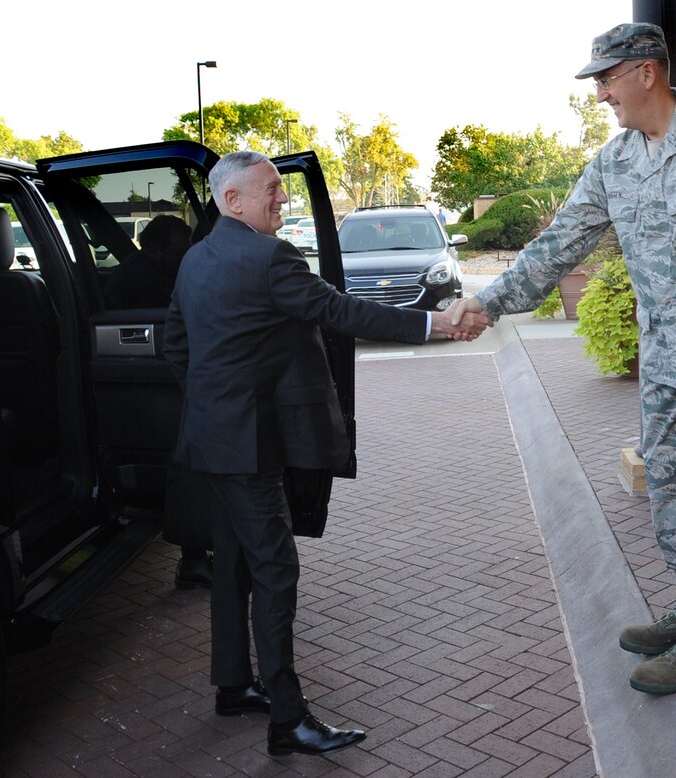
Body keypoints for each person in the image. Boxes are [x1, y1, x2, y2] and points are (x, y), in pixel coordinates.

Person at [450, 23, 676, 696]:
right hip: (668, 362)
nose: (600, 94)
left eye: (606, 79)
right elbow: (560, 242)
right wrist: (490, 302)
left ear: (647, 72)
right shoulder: (615, 163)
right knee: (671, 492)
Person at [163, 151, 489, 756]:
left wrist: (214, 403)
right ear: (232, 201)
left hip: (210, 441)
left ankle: (234, 686)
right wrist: (435, 324)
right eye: (270, 192)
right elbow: (340, 310)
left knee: (232, 561)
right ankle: (288, 721)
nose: (281, 201)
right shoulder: (268, 257)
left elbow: (174, 344)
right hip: (250, 448)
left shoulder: (194, 259)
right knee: (274, 569)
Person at [103, 214, 215, 589]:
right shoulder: (145, 284)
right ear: (152, 250)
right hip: (162, 395)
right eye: (180, 251)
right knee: (192, 466)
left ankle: (196, 554)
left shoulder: (145, 272)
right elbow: (176, 336)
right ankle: (195, 557)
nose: (188, 258)